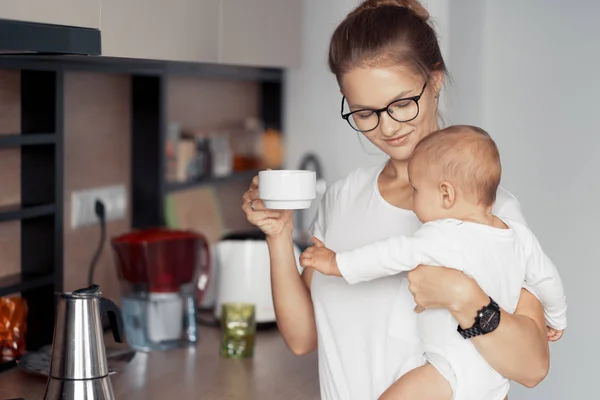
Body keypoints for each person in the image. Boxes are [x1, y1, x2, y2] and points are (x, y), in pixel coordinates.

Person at [242, 1, 551, 399]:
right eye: (364, 112)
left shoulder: (489, 212)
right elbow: (303, 339)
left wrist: (463, 297)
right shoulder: (343, 198)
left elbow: (532, 367)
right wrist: (279, 237)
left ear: (435, 80)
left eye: (403, 104)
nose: (387, 127)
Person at [299, 125, 567, 400]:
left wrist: (337, 263)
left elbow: (388, 255)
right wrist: (557, 318)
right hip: (493, 378)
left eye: (415, 190)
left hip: (448, 369)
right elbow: (548, 280)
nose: (412, 200)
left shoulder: (441, 234)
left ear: (446, 195)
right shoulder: (519, 236)